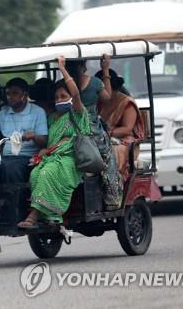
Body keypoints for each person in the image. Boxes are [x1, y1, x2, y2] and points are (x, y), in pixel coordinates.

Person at [18, 57, 90, 227]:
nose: (59, 100)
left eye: (63, 96)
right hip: (51, 157)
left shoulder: (78, 114)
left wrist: (62, 70)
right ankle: (49, 216)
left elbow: (76, 93)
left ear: (72, 97)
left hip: (70, 159)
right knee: (35, 174)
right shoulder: (51, 117)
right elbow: (48, 141)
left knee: (46, 173)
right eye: (56, 97)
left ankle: (33, 216)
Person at [65, 55, 122, 211]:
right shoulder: (95, 83)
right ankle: (111, 197)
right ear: (84, 65)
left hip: (68, 128)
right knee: (109, 155)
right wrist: (105, 70)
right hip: (92, 131)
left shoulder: (63, 85)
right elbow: (107, 98)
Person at [96, 69, 145, 181]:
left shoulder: (126, 102)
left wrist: (108, 133)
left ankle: (113, 183)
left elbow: (127, 129)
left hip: (123, 140)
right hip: (102, 137)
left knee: (111, 151)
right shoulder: (99, 102)